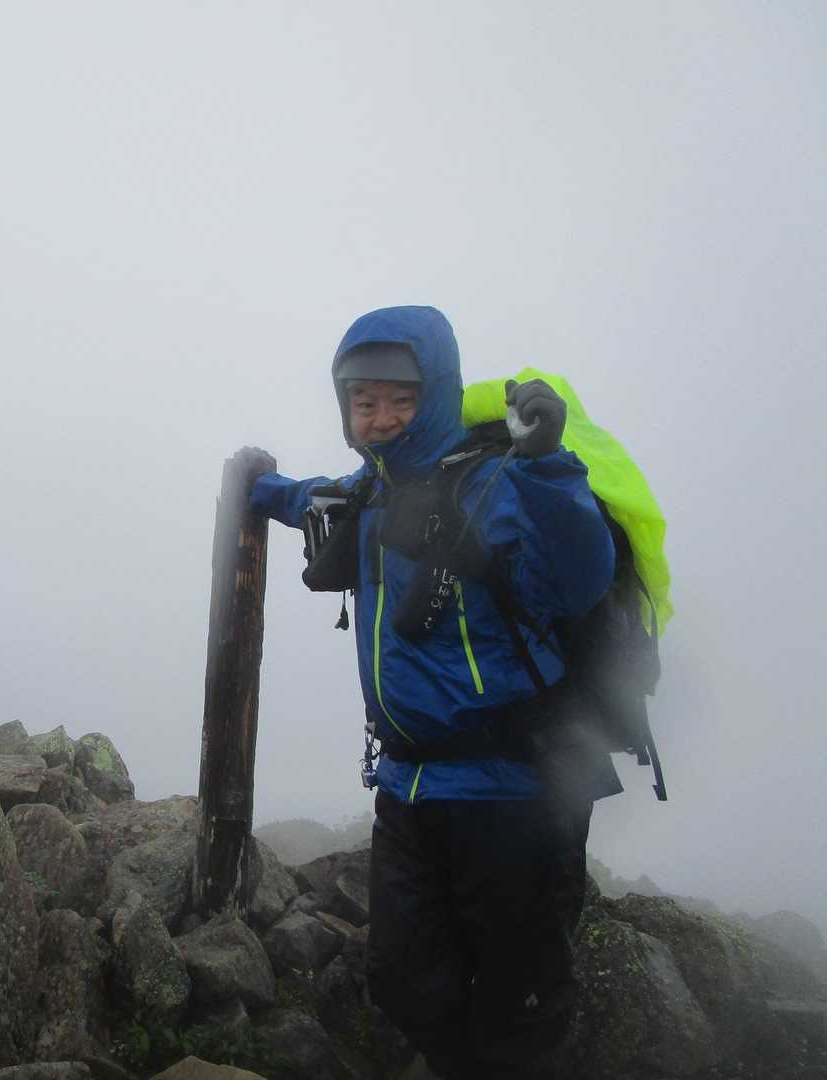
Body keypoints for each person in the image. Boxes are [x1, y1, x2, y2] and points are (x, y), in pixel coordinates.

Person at [249, 304, 620, 1079]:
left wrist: (548, 463)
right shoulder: (368, 494)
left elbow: (581, 576)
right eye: (364, 401)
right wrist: (260, 487)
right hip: (409, 787)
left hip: (516, 791)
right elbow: (308, 498)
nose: (381, 418)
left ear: (438, 394)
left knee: (521, 1002)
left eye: (401, 399)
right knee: (402, 979)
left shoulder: (501, 483)